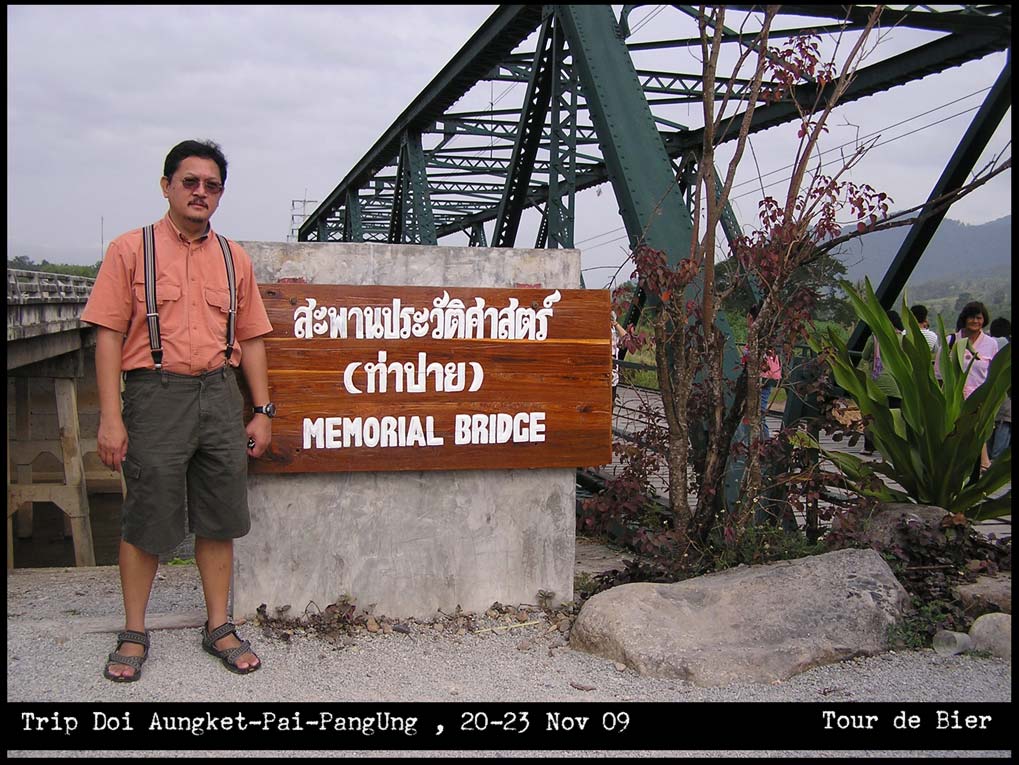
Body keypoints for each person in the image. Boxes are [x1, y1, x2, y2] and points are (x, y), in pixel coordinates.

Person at [82, 140, 274, 682]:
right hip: (155, 394)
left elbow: (251, 337)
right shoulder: (130, 250)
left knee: (219, 515)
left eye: (211, 185)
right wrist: (110, 418)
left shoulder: (234, 258)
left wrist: (262, 409)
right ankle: (133, 631)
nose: (200, 192)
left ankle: (219, 626)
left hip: (219, 394)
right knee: (147, 516)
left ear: (220, 194)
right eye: (190, 182)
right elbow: (107, 334)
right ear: (166, 186)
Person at [935, 301, 998, 475]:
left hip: (979, 397)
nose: (975, 321)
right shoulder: (951, 341)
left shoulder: (991, 344)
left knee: (976, 432)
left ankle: (982, 464)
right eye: (971, 317)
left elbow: (994, 372)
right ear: (965, 318)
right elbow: (939, 372)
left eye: (979, 318)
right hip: (954, 398)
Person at [860, 309, 905, 455]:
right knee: (896, 418)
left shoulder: (874, 337)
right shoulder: (902, 339)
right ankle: (896, 449)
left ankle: (869, 447)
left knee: (871, 415)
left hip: (876, 383)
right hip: (896, 384)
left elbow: (865, 355)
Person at [747, 303, 781, 438]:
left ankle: (763, 441)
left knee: (758, 414)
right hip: (766, 379)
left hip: (761, 378)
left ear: (750, 317)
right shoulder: (767, 335)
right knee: (758, 413)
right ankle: (763, 441)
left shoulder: (757, 336)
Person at [987, 317, 1011, 462]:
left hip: (988, 395)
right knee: (1004, 425)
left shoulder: (988, 343)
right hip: (1006, 398)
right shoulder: (1007, 344)